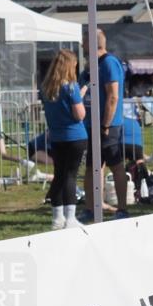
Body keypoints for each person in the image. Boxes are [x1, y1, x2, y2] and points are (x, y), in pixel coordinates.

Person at [80, 29, 128, 221]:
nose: (82, 45)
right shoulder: (91, 65)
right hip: (92, 124)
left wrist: (105, 125)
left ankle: (122, 208)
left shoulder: (108, 63)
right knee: (92, 167)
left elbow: (113, 96)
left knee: (116, 166)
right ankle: (90, 208)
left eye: (84, 41)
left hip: (108, 126)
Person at [40, 50, 87, 229]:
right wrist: (80, 100)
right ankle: (71, 218)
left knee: (59, 175)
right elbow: (79, 115)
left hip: (57, 137)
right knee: (70, 176)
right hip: (75, 136)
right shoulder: (71, 87)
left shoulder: (46, 88)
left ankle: (57, 217)